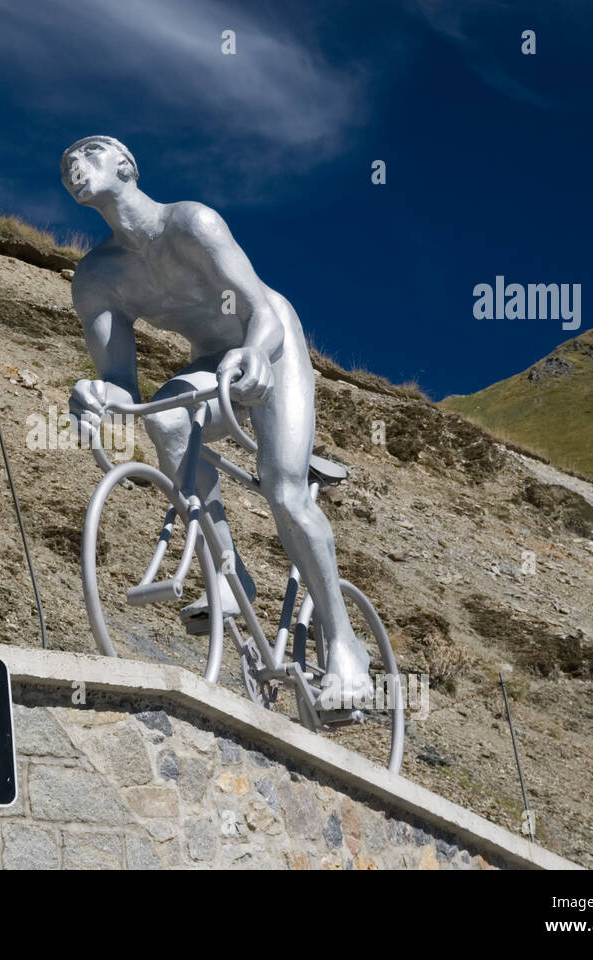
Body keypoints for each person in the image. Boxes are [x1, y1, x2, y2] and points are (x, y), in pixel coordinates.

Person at [61, 135, 370, 707]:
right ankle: (231, 576)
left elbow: (258, 310)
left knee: (284, 491)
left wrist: (255, 354)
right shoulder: (97, 278)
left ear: (127, 165)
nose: (75, 165)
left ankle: (345, 643)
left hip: (270, 341)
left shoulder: (191, 224)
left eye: (91, 151)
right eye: (66, 164)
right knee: (168, 423)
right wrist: (93, 396)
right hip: (213, 362)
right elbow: (124, 389)